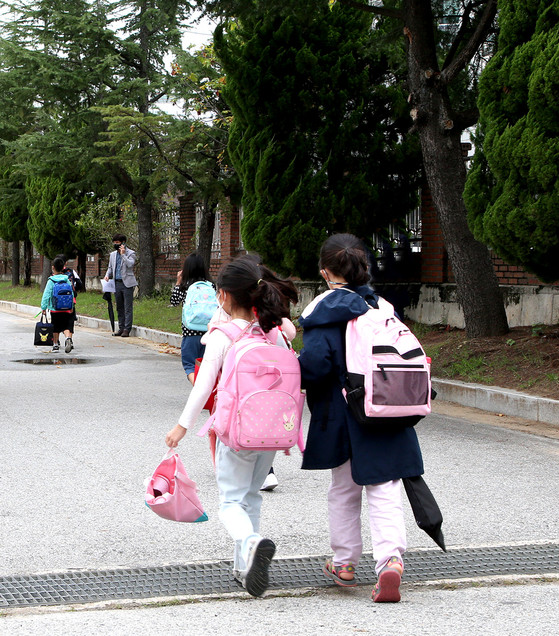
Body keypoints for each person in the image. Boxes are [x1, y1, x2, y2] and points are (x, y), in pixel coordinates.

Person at [297, 233, 424, 603]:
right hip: (386, 409)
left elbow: (317, 366)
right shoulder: (382, 307)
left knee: (344, 490)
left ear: (325, 272)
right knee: (385, 488)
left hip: (343, 415)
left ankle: (345, 563)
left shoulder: (323, 312)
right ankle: (390, 562)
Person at [165, 255, 299, 598]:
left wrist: (182, 427)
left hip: (236, 431)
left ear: (222, 295)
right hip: (272, 431)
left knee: (230, 502)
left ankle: (250, 543)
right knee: (251, 496)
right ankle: (244, 567)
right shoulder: (273, 332)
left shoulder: (223, 336)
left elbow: (203, 385)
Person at [169, 252, 213, 383]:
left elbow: (174, 301)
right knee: (207, 367)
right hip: (209, 333)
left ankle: (200, 392)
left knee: (190, 366)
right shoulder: (211, 286)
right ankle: (206, 393)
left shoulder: (185, 286)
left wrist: (178, 281)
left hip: (190, 333)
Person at [103, 234, 136, 337]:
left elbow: (130, 264)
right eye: (114, 243)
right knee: (119, 306)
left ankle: (127, 328)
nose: (116, 245)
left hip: (127, 283)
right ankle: (121, 327)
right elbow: (110, 267)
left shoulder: (131, 253)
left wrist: (123, 255)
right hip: (116, 283)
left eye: (118, 243)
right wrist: (107, 275)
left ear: (123, 243)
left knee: (127, 307)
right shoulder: (112, 254)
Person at [40, 256, 76, 353]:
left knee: (55, 327)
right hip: (67, 308)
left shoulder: (51, 281)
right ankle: (68, 338)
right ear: (63, 268)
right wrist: (71, 306)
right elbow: (71, 293)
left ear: (53, 267)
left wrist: (43, 307)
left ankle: (55, 344)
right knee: (66, 326)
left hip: (55, 309)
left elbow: (46, 295)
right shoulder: (66, 279)